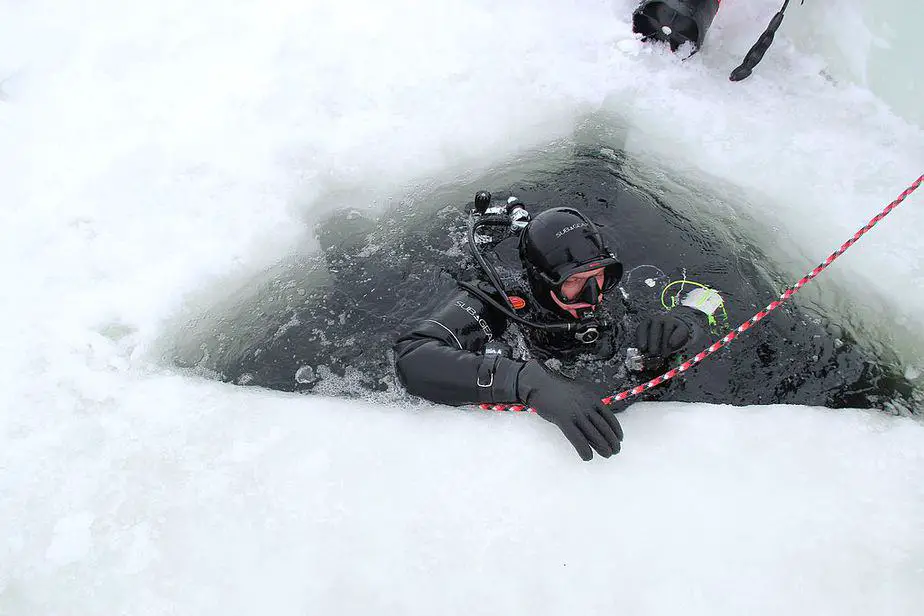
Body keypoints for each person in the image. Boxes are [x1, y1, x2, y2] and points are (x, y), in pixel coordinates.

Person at [393, 193, 718, 461]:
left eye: (599, 276)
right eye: (574, 282)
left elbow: (714, 295)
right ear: (541, 282)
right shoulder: (501, 299)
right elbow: (413, 357)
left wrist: (689, 322)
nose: (593, 295)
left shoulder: (617, 292)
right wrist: (524, 381)